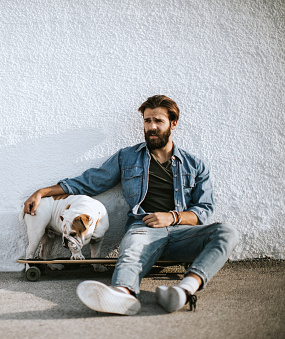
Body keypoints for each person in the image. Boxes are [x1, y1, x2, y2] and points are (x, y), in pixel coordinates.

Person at [23, 95, 239, 315]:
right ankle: (122, 294)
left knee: (227, 232)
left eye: (158, 121)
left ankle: (184, 290)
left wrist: (172, 217)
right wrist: (42, 192)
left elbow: (204, 210)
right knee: (131, 250)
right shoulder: (127, 157)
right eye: (147, 121)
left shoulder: (195, 166)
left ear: (173, 123)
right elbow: (89, 182)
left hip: (184, 233)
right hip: (143, 230)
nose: (151, 127)